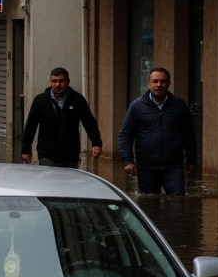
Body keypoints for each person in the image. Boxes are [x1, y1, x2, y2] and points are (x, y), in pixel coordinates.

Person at [119, 67, 196, 195]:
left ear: (168, 84)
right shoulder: (137, 106)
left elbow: (188, 134)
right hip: (147, 166)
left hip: (174, 166)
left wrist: (191, 159)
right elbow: (126, 134)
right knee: (148, 202)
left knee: (176, 201)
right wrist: (128, 161)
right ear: (148, 83)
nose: (159, 85)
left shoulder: (179, 105)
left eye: (163, 81)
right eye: (155, 81)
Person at [20, 67, 103, 167]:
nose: (57, 85)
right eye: (54, 81)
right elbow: (30, 126)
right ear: (50, 82)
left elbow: (89, 123)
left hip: (70, 155)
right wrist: (26, 150)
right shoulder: (41, 101)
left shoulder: (77, 100)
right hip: (47, 155)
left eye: (61, 81)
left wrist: (96, 143)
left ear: (68, 82)